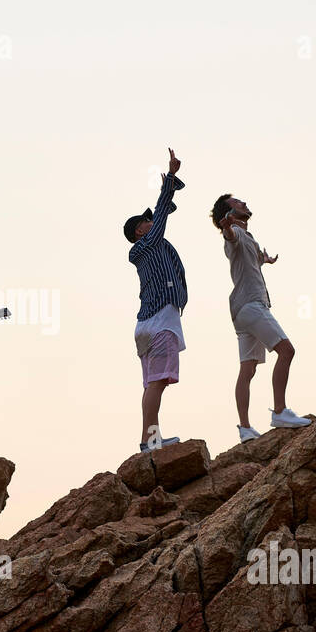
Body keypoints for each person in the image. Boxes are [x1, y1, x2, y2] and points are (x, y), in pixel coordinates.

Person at [211, 193, 312, 441]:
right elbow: (230, 239)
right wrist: (227, 228)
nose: (244, 202)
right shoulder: (234, 232)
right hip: (252, 306)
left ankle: (245, 428)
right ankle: (279, 411)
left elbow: (249, 259)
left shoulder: (248, 237)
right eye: (237, 203)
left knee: (248, 368)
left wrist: (264, 260)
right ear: (229, 213)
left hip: (241, 311)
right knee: (287, 351)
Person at [125, 147, 189, 453]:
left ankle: (150, 439)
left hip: (145, 323)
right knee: (158, 383)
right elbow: (162, 213)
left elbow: (165, 212)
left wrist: (170, 191)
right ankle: (149, 441)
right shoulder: (148, 244)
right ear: (140, 230)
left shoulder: (149, 247)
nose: (153, 223)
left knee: (153, 383)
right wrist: (170, 180)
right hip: (160, 319)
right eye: (147, 222)